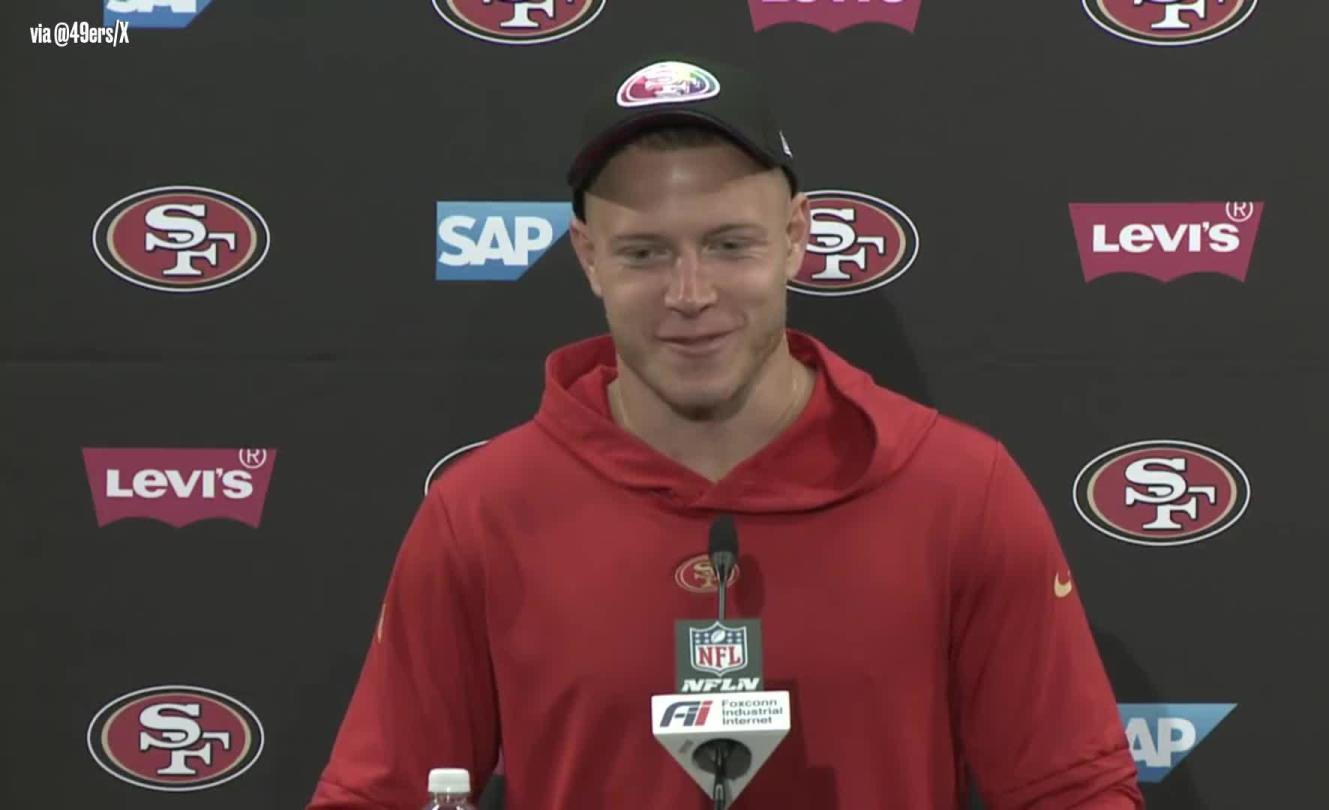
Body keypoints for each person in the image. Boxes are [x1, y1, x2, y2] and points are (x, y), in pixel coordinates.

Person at [307, 54, 1143, 809]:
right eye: (644, 254)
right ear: (589, 257)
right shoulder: (482, 512)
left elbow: (1073, 793)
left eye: (729, 243)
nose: (690, 292)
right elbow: (373, 795)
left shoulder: (960, 490)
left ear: (795, 238)